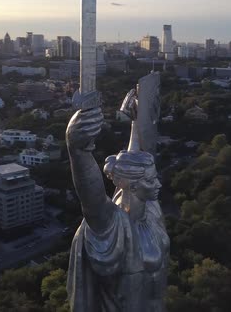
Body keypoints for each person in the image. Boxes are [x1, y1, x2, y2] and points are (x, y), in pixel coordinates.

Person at [66, 107, 169, 312]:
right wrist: (77, 150)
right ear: (132, 185)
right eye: (150, 181)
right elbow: (91, 200)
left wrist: (135, 120)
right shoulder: (115, 226)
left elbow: (136, 152)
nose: (158, 185)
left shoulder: (151, 212)